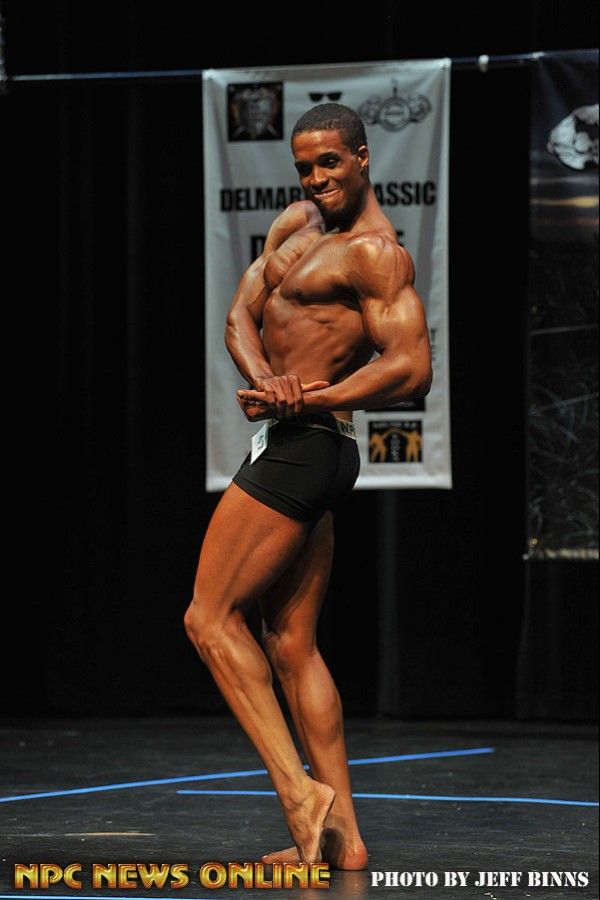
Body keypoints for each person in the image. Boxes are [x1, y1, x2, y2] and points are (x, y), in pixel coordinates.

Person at [184, 102, 432, 869]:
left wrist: (314, 398)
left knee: (208, 618)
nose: (316, 178)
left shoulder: (376, 255)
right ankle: (344, 842)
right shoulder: (296, 226)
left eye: (330, 162)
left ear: (362, 157)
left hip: (313, 443)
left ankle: (299, 793)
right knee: (291, 645)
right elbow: (240, 315)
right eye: (304, 167)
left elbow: (411, 367)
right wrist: (268, 382)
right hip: (294, 439)